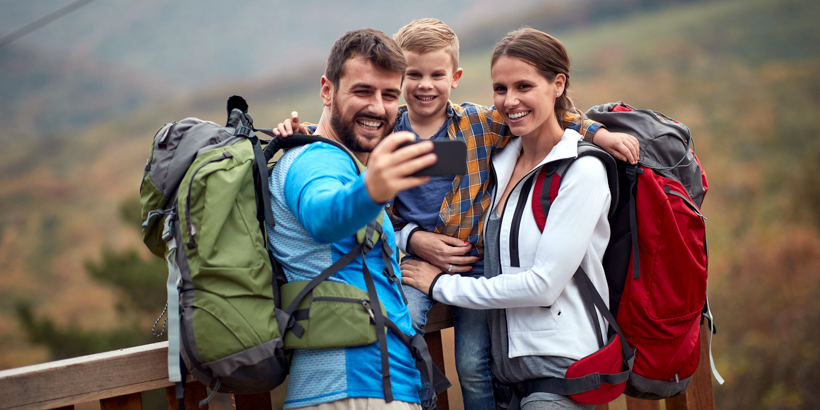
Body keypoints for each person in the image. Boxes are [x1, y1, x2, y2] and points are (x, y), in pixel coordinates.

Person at [273, 18, 638, 410]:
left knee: (471, 360)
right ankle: (422, 395)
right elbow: (337, 137)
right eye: (412, 75)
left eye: (436, 74)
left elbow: (545, 113)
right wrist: (296, 135)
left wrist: (598, 135)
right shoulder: (383, 131)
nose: (424, 85)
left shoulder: (480, 125)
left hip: (473, 265)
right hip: (411, 270)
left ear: (456, 76)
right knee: (406, 323)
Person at [400, 27, 615, 410]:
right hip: (504, 362)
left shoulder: (573, 166)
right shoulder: (490, 154)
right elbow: (360, 153)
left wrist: (598, 134)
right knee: (408, 332)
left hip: (557, 362)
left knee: (471, 363)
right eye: (500, 89)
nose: (510, 100)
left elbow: (544, 285)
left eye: (523, 86)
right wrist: (412, 238)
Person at [266, 28, 438, 410]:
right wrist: (373, 189)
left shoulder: (332, 158)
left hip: (369, 387)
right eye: (363, 91)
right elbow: (323, 215)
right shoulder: (317, 161)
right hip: (356, 390)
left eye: (390, 95)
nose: (378, 107)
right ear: (327, 91)